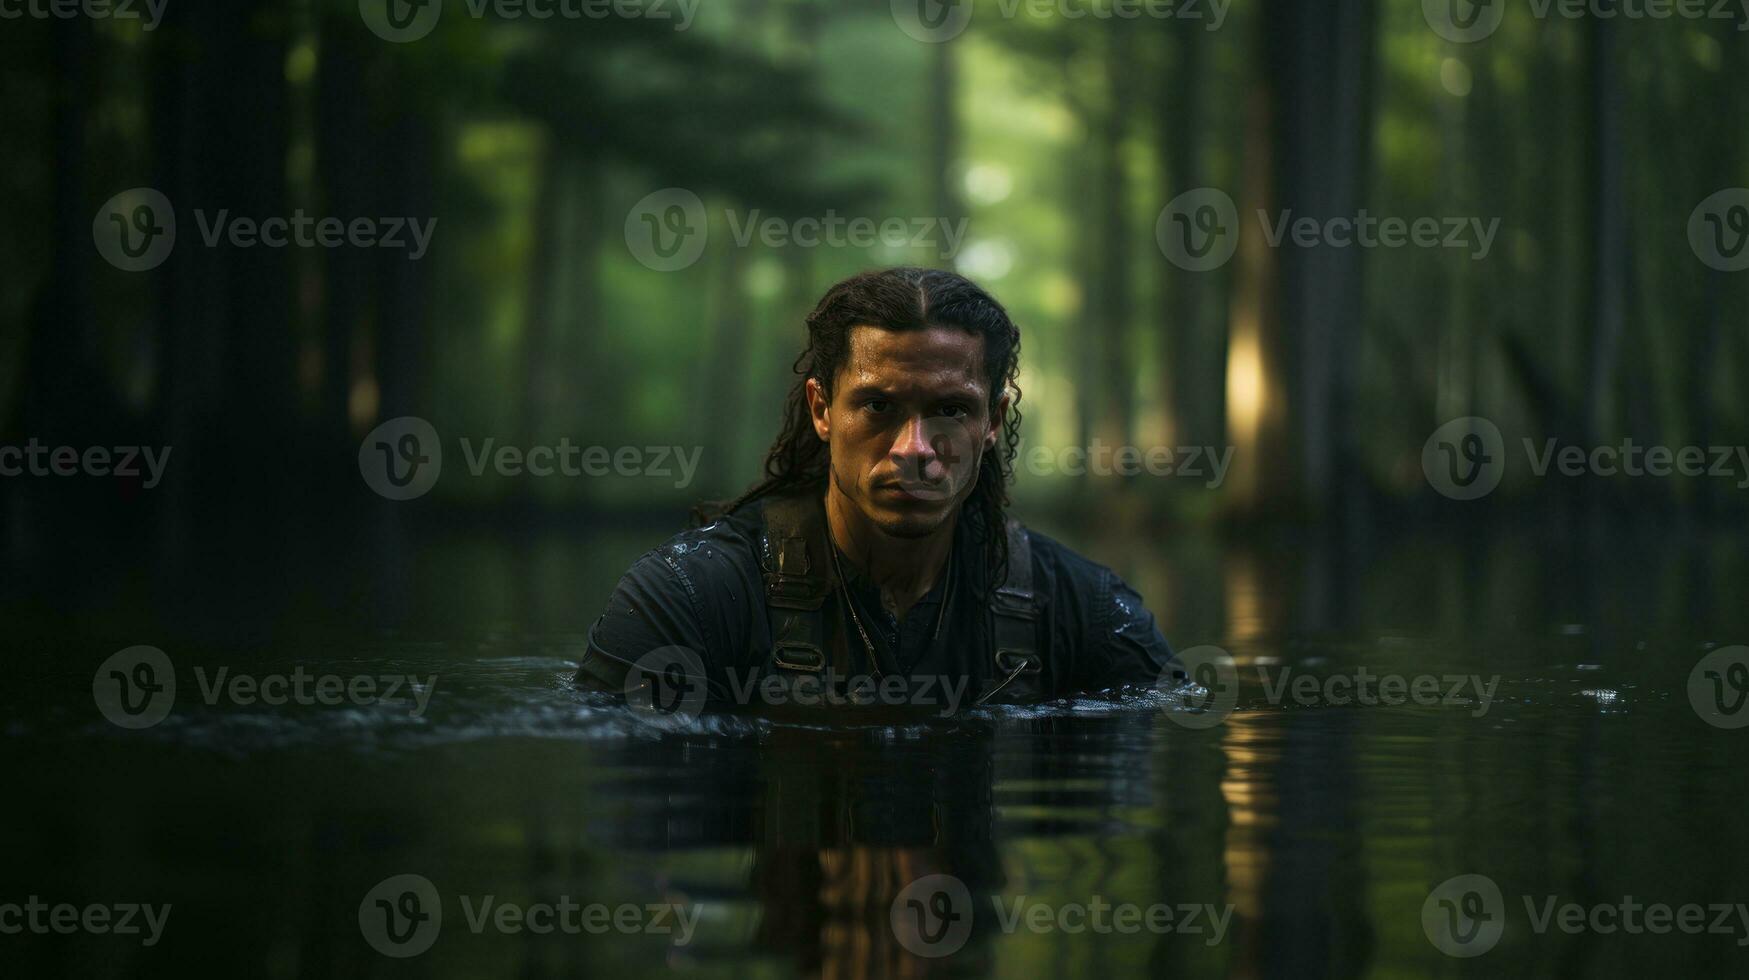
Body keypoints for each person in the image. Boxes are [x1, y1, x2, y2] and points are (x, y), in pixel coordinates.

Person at [574, 267, 1174, 714]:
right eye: (878, 405)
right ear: (822, 408)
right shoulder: (688, 598)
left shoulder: (1084, 611)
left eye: (949, 409)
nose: (913, 449)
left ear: (992, 422)